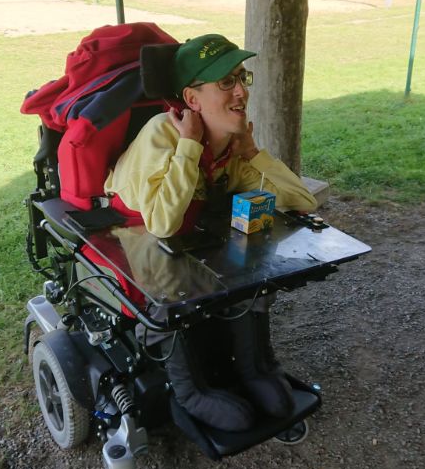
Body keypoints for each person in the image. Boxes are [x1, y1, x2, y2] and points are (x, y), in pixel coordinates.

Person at [104, 33, 317, 432]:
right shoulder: (161, 133)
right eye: (225, 82)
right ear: (192, 99)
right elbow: (162, 223)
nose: (241, 92)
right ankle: (189, 391)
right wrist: (189, 144)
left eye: (242, 78)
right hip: (135, 239)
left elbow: (303, 201)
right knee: (169, 283)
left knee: (253, 258)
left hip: (189, 236)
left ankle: (255, 369)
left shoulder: (231, 148)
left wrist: (253, 154)